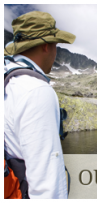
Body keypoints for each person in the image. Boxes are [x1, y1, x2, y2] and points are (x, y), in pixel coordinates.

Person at [4, 11, 76, 198]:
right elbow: (47, 179)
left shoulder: (7, 79)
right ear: (46, 46)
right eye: (56, 45)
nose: (56, 51)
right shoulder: (36, 90)